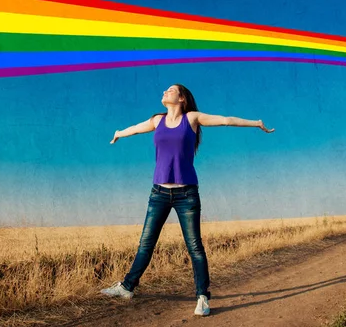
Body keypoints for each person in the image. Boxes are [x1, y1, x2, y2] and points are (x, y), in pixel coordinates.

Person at [100, 83, 274, 316]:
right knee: (146, 244)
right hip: (158, 193)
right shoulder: (157, 121)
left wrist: (256, 123)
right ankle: (127, 287)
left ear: (182, 98)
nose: (165, 92)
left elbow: (226, 120)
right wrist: (118, 133)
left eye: (170, 90)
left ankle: (202, 297)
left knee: (195, 247)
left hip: (186, 194)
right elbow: (134, 129)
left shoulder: (192, 118)